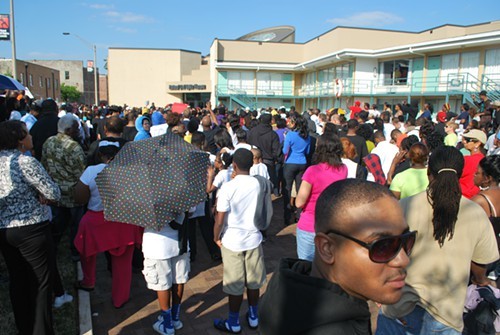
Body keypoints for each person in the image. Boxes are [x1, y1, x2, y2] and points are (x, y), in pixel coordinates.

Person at [259, 179, 413, 334]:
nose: (403, 260)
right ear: (327, 249)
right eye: (383, 246)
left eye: (407, 240)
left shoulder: (289, 285)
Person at [377, 146, 499, 334]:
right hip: (447, 315)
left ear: (428, 172)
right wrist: (480, 279)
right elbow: (481, 263)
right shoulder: (475, 212)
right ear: (459, 175)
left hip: (398, 307)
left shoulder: (403, 206)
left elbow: (384, 252)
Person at [0, 120, 61, 334]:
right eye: (27, 134)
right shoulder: (26, 162)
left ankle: (24, 327)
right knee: (41, 284)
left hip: (5, 230)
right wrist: (43, 192)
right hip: (32, 229)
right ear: (19, 140)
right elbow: (54, 193)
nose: (31, 136)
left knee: (17, 280)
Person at [73, 141, 143, 308]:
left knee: (86, 252)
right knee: (122, 264)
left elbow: (79, 198)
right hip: (123, 221)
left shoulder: (91, 171)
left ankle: (88, 281)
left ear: (100, 155)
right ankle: (120, 298)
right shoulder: (131, 172)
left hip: (96, 220)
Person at [213, 149, 267, 333]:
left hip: (232, 241)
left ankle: (233, 322)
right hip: (254, 238)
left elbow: (220, 219)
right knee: (254, 282)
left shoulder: (228, 187)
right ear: (252, 164)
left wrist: (215, 237)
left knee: (235, 285)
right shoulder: (259, 183)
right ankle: (253, 316)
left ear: (234, 165)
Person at [42, 114, 86, 301]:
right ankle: (75, 252)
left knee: (58, 224)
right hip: (73, 194)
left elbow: (44, 164)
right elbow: (82, 172)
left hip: (55, 192)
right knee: (76, 225)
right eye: (76, 127)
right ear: (69, 130)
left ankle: (53, 249)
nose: (78, 130)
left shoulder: (48, 142)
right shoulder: (74, 147)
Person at [295, 135, 347, 261]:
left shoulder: (312, 171)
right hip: (331, 225)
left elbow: (299, 202)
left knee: (306, 267)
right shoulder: (343, 169)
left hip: (310, 225)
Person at [143, 212, 191, 335]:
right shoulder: (183, 192)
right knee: (178, 279)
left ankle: (167, 324)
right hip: (180, 242)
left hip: (157, 245)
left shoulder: (144, 194)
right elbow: (191, 211)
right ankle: (175, 318)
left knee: (162, 284)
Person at [282, 115, 311, 224]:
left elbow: (285, 151)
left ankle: (287, 215)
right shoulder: (307, 136)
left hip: (290, 163)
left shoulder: (290, 135)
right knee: (300, 190)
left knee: (287, 190)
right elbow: (307, 151)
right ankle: (299, 214)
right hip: (302, 163)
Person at [471, 155, 500, 254]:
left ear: (487, 178)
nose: (474, 174)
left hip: (482, 255)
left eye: (477, 172)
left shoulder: (479, 200)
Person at [460, 129, 487, 198]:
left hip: (462, 197)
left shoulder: (467, 160)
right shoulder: (485, 160)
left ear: (478, 143)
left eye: (468, 140)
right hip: (475, 197)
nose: (464, 142)